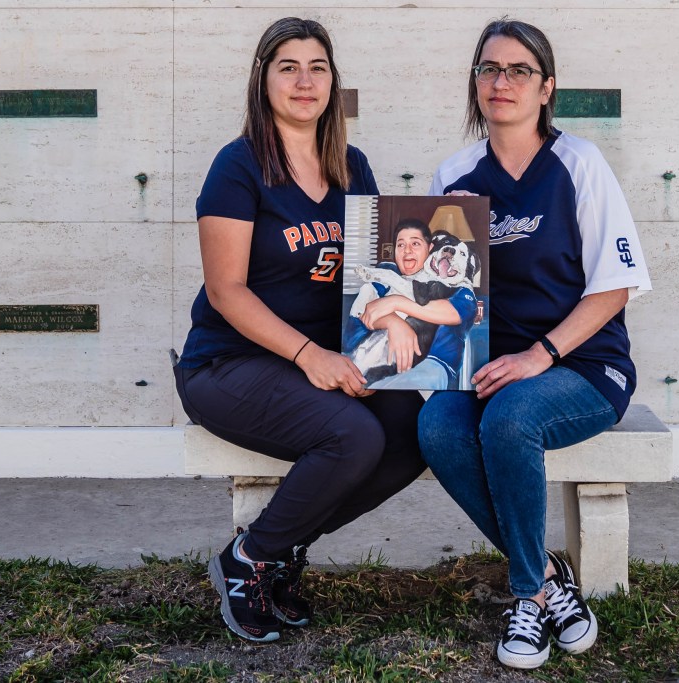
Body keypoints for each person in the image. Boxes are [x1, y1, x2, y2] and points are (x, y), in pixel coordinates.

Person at [172, 17, 427, 644]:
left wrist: (393, 340)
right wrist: (311, 354)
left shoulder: (353, 166)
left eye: (318, 68)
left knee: (416, 430)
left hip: (323, 361)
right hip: (228, 364)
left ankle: (279, 549)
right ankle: (248, 562)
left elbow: (373, 279)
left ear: (333, 83)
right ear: (263, 81)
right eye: (288, 67)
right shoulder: (238, 167)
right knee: (352, 435)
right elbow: (227, 291)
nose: (304, 81)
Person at [419, 19, 652, 670]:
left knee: (511, 417)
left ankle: (526, 593)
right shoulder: (455, 174)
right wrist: (448, 241)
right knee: (437, 425)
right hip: (487, 362)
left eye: (519, 70)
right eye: (488, 70)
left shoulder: (580, 164)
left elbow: (616, 286)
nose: (501, 82)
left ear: (546, 87)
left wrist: (537, 356)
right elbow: (441, 301)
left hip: (582, 364)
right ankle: (551, 580)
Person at [343, 218, 478, 389]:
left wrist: (395, 302)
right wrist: (394, 322)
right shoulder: (386, 272)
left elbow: (452, 312)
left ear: (430, 249)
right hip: (366, 355)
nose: (407, 251)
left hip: (431, 364)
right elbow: (365, 311)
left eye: (415, 244)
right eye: (401, 245)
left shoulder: (459, 288)